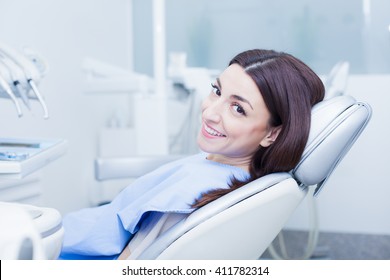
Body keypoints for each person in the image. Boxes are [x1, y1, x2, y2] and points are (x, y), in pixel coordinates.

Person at [59, 49, 325, 260]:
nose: (209, 112)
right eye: (217, 91)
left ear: (272, 134)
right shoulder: (227, 170)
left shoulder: (190, 195)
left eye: (238, 109)